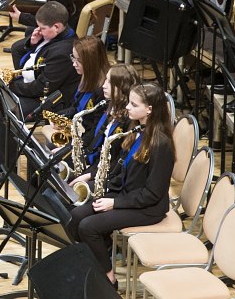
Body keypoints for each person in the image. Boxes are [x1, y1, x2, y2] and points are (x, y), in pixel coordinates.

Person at [64, 82, 175, 287]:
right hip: (127, 195)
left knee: (89, 227)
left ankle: (108, 279)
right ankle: (97, 258)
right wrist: (102, 186)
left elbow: (152, 193)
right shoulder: (138, 129)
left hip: (148, 208)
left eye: (133, 104)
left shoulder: (162, 145)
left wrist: (114, 203)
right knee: (75, 215)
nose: (127, 108)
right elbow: (123, 170)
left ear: (149, 109)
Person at [0, 1, 80, 184]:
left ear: (57, 27)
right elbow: (24, 62)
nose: (38, 30)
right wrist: (32, 43)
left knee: (5, 113)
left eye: (42, 28)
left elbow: (41, 87)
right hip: (36, 89)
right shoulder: (52, 36)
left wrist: (9, 86)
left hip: (51, 100)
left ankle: (6, 169)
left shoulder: (63, 52)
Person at [68, 64, 141, 186]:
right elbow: (95, 137)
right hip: (94, 163)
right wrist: (68, 150)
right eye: (105, 80)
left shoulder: (130, 120)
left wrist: (89, 174)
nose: (103, 85)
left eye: (109, 82)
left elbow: (117, 159)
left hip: (109, 174)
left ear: (122, 87)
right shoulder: (109, 106)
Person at [56, 36, 109, 166]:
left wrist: (69, 149)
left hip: (89, 143)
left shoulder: (103, 91)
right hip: (79, 132)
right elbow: (76, 106)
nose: (74, 63)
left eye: (78, 60)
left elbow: (96, 132)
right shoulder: (86, 76)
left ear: (91, 62)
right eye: (73, 57)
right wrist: (59, 117)